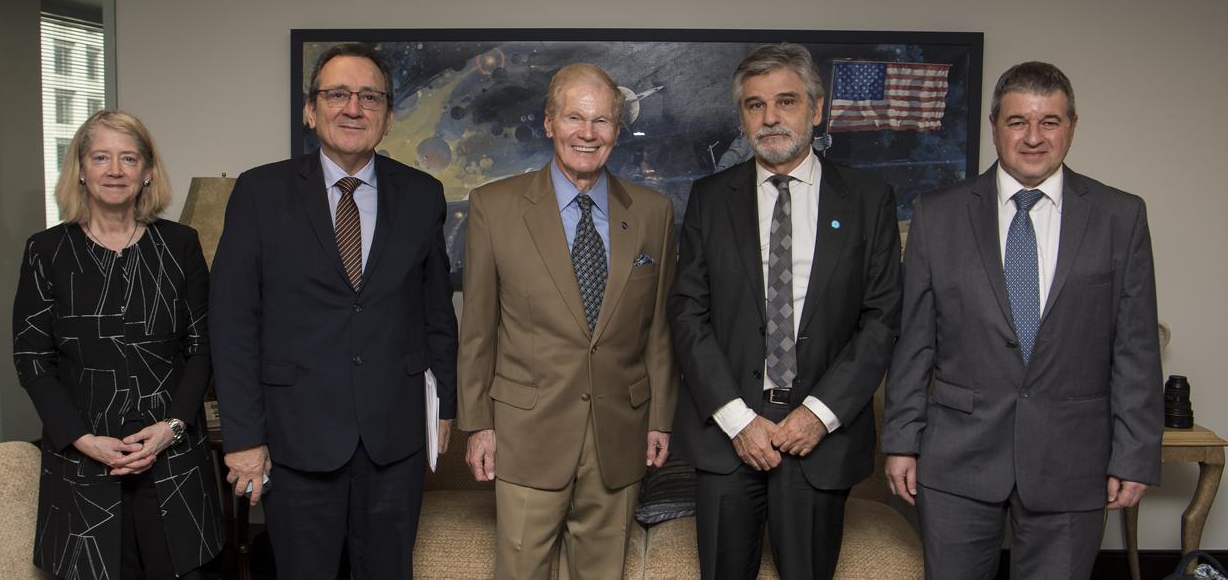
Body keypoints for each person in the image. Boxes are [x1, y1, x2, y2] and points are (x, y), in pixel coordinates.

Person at [882, 61, 1163, 579]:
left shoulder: (1120, 217)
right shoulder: (936, 214)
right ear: (995, 126)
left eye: (1049, 122)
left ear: (1072, 126)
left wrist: (1135, 453)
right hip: (957, 457)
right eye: (1018, 122)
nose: (1034, 138)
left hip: (1073, 459)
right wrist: (901, 439)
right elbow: (914, 340)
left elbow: (1136, 346)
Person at [209, 43, 457, 579]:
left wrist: (445, 406)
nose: (353, 108)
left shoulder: (422, 194)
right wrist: (244, 438)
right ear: (311, 108)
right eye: (338, 94)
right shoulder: (259, 192)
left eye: (369, 97)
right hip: (295, 440)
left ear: (388, 117)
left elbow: (437, 312)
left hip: (394, 441)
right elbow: (232, 326)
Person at [668, 43, 902, 580]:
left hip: (818, 436)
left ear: (816, 110)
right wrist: (736, 419)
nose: (770, 117)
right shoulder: (709, 198)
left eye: (786, 101)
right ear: (743, 117)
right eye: (755, 105)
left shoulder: (868, 199)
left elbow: (882, 318)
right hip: (730, 433)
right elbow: (687, 314)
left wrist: (818, 414)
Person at [457, 63, 677, 579]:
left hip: (619, 434)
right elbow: (478, 330)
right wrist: (480, 424)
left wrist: (660, 416)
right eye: (575, 117)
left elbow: (659, 329)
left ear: (617, 132)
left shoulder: (652, 212)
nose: (588, 133)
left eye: (602, 121)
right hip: (526, 433)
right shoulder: (494, 206)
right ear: (549, 122)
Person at [12, 110, 224, 580]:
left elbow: (203, 346)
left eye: (129, 158)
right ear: (81, 171)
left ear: (148, 171)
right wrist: (81, 438)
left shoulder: (180, 245)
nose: (115, 170)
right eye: (101, 157)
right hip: (85, 461)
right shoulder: (46, 251)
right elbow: (31, 358)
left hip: (171, 459)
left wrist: (172, 426)